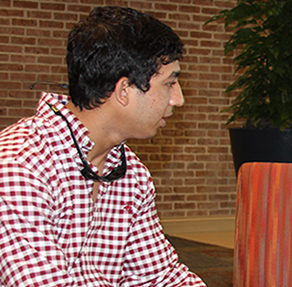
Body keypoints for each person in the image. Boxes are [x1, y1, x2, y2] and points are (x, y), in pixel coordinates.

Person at [0, 6, 205, 286]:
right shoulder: (19, 166)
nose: (178, 100)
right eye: (170, 84)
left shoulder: (131, 174)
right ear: (124, 91)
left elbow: (160, 277)